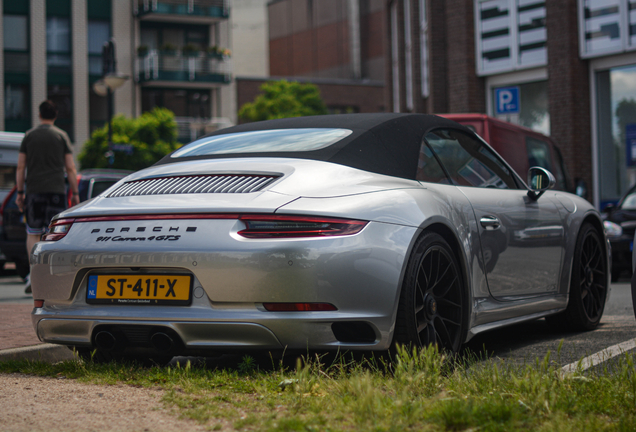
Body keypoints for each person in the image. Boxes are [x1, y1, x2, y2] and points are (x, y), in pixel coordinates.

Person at [16, 100, 80, 294]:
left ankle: (33, 274)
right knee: (54, 235)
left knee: (33, 233)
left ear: (39, 114)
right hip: (56, 192)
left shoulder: (29, 136)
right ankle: (52, 275)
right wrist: (75, 193)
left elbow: (20, 166)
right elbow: (70, 166)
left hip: (34, 191)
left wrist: (20, 193)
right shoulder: (61, 136)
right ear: (56, 115)